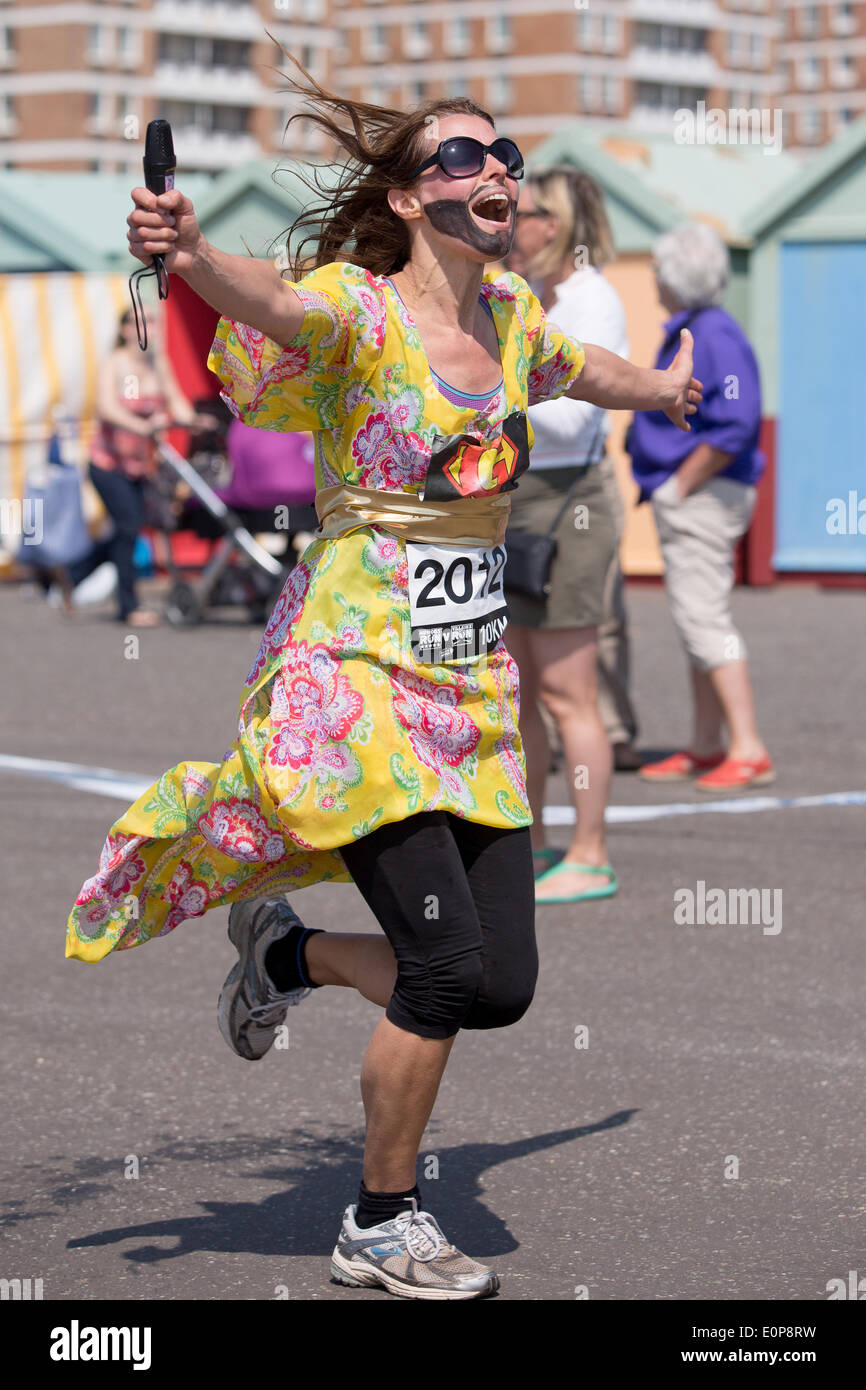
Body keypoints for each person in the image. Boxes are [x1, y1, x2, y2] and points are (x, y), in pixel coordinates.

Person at [65, 82, 701, 1299]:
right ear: (412, 197)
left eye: (503, 152)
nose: (495, 168)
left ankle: (287, 957)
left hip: (466, 697)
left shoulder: (513, 318)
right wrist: (191, 249)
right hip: (354, 679)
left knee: (500, 982)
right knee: (444, 967)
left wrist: (665, 393)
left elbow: (587, 368)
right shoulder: (358, 313)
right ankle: (380, 1219)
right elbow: (274, 300)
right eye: (460, 155)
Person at [502, 166, 630, 904]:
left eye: (524, 212)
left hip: (568, 506)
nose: (510, 223)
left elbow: (579, 415)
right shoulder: (533, 297)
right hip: (520, 500)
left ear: (557, 226)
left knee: (567, 692)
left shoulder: (591, 298)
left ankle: (590, 851)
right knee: (520, 693)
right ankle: (538, 840)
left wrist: (495, 377)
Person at [629, 222, 773, 793]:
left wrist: (680, 485)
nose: (653, 279)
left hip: (703, 497)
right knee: (697, 619)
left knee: (705, 618)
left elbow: (737, 423)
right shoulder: (703, 329)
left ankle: (748, 746)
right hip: (696, 494)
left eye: (659, 270)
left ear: (676, 276)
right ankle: (710, 743)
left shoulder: (712, 335)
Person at [67, 305, 213, 625]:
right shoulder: (116, 363)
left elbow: (175, 401)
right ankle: (128, 607)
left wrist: (194, 422)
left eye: (152, 321)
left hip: (140, 467)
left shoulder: (157, 364)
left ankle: (71, 573)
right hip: (107, 465)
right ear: (125, 329)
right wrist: (143, 427)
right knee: (129, 527)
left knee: (127, 530)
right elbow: (106, 408)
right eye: (140, 322)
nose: (148, 327)